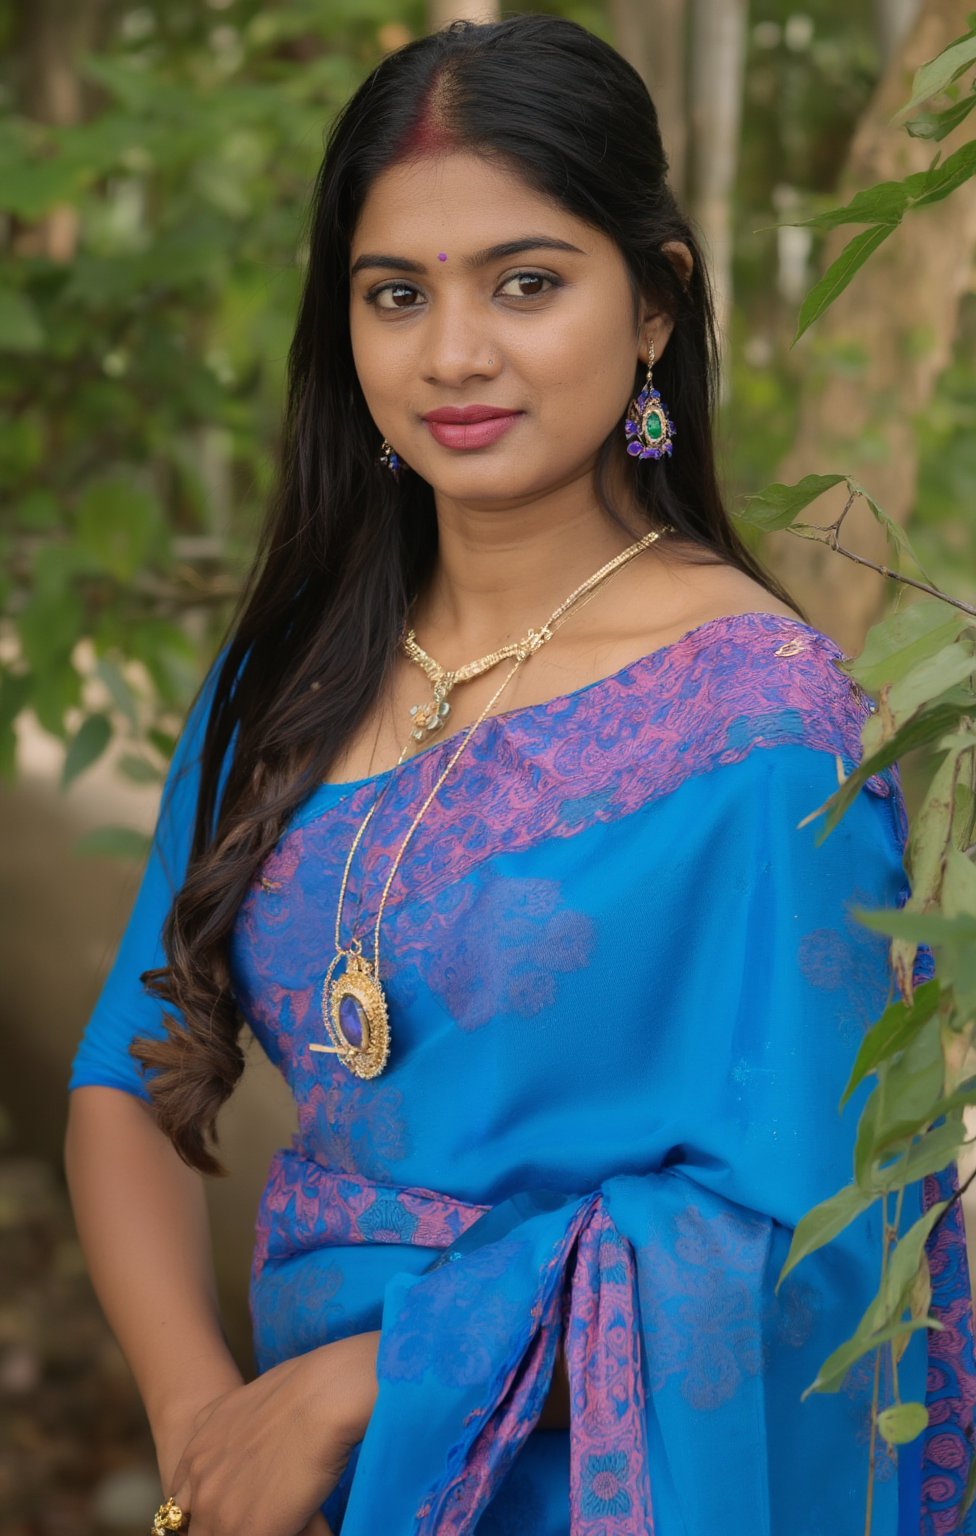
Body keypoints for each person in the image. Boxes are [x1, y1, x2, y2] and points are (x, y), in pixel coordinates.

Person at [64, 15, 975, 1535]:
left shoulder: (762, 730)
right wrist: (205, 1426)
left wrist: (377, 1378)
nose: (455, 353)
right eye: (396, 295)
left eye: (528, 283)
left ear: (657, 304)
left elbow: (821, 1239)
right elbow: (128, 1074)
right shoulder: (290, 672)